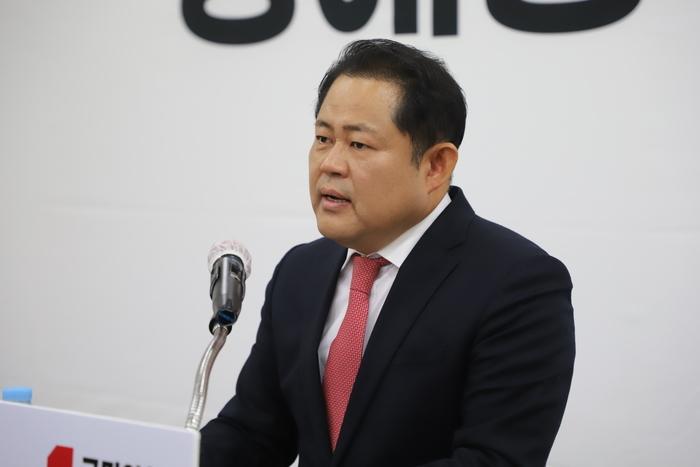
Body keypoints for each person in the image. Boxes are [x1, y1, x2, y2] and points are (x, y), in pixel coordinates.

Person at [200, 39, 575, 467]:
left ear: (436, 165)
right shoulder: (299, 272)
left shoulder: (518, 284)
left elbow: (495, 460)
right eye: (323, 138)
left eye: (358, 145)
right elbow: (254, 433)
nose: (330, 163)